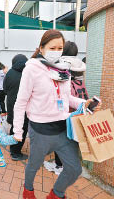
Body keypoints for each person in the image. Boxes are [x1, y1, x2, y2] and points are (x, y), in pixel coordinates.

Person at [12, 30, 101, 199]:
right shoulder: (32, 69)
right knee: (34, 165)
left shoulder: (63, 69)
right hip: (40, 131)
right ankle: (28, 190)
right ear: (42, 48)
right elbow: (21, 102)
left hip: (63, 129)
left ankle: (56, 194)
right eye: (52, 47)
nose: (56, 51)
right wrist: (18, 131)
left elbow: (66, 98)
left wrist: (85, 104)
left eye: (60, 47)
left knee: (75, 168)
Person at [44, 41, 89, 175]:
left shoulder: (62, 65)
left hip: (64, 108)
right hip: (78, 107)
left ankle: (59, 166)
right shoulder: (80, 65)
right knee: (72, 138)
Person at [3, 54, 29, 161]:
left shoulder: (9, 73)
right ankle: (16, 152)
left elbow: (4, 89)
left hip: (11, 104)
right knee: (23, 128)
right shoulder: (27, 73)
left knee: (15, 127)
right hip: (24, 106)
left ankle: (13, 149)